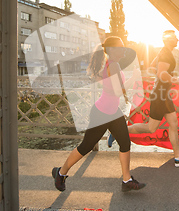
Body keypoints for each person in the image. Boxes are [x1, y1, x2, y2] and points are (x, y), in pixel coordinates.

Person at [52, 36, 146, 192]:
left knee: (125, 143)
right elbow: (118, 91)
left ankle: (126, 180)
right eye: (121, 47)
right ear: (113, 50)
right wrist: (134, 78)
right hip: (102, 113)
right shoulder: (113, 65)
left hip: (112, 112)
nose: (124, 49)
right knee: (86, 147)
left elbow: (110, 87)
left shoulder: (112, 64)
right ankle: (60, 173)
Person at [109, 30, 179, 167]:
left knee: (172, 123)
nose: (177, 40)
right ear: (168, 40)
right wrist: (175, 80)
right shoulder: (165, 53)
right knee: (151, 128)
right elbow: (161, 73)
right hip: (161, 96)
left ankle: (178, 156)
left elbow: (153, 67)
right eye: (174, 38)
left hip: (162, 94)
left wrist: (162, 80)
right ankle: (119, 131)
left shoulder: (163, 52)